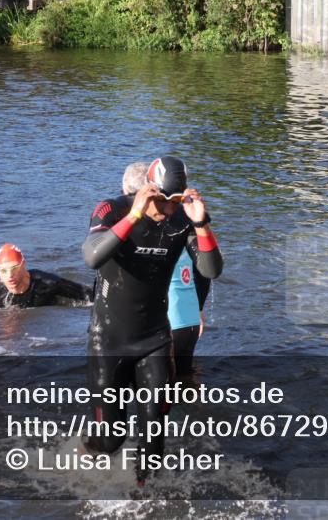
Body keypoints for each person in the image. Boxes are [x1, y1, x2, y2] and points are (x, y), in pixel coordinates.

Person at [80, 157, 223, 485]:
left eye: (175, 202)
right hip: (109, 339)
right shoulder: (112, 210)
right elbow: (91, 257)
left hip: (155, 339)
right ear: (147, 190)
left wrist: (201, 224)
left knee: (153, 438)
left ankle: (144, 501)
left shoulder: (181, 221)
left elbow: (211, 270)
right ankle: (84, 453)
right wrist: (134, 215)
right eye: (161, 201)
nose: (168, 210)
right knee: (110, 440)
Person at [0, 243, 93, 308]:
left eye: (14, 268)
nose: (10, 275)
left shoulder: (47, 284)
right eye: (4, 270)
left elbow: (90, 296)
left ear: (23, 264)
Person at [168, 249, 211, 380]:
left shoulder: (143, 237)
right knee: (185, 376)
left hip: (164, 318)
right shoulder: (188, 233)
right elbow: (205, 272)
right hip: (188, 317)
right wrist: (199, 308)